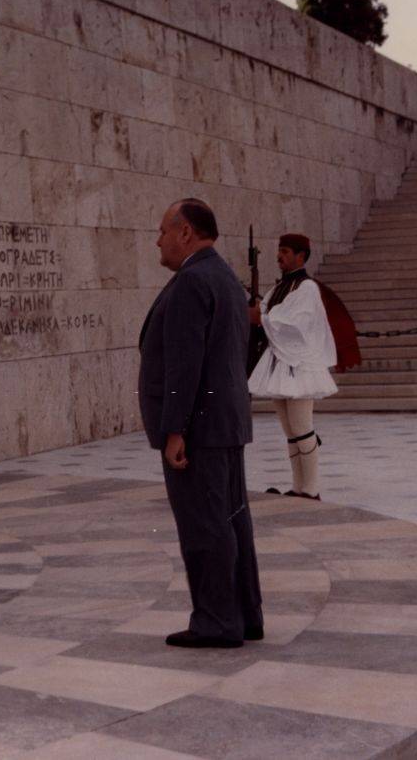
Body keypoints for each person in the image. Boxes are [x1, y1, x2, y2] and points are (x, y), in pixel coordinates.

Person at [138, 198, 263, 649]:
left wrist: (175, 431)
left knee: (205, 526)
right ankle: (244, 615)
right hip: (224, 423)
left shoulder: (193, 281)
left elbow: (185, 366)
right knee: (230, 522)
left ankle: (215, 621)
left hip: (199, 431)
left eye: (163, 230)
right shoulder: (224, 277)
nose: (158, 240)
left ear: (185, 232)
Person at [248, 234, 337, 500]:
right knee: (290, 429)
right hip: (281, 363)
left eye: (285, 252)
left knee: (301, 426)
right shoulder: (279, 288)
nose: (279, 256)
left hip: (300, 365)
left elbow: (294, 322)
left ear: (301, 256)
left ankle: (311, 488)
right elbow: (266, 313)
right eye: (279, 251)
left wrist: (261, 318)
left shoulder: (307, 288)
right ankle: (298, 486)